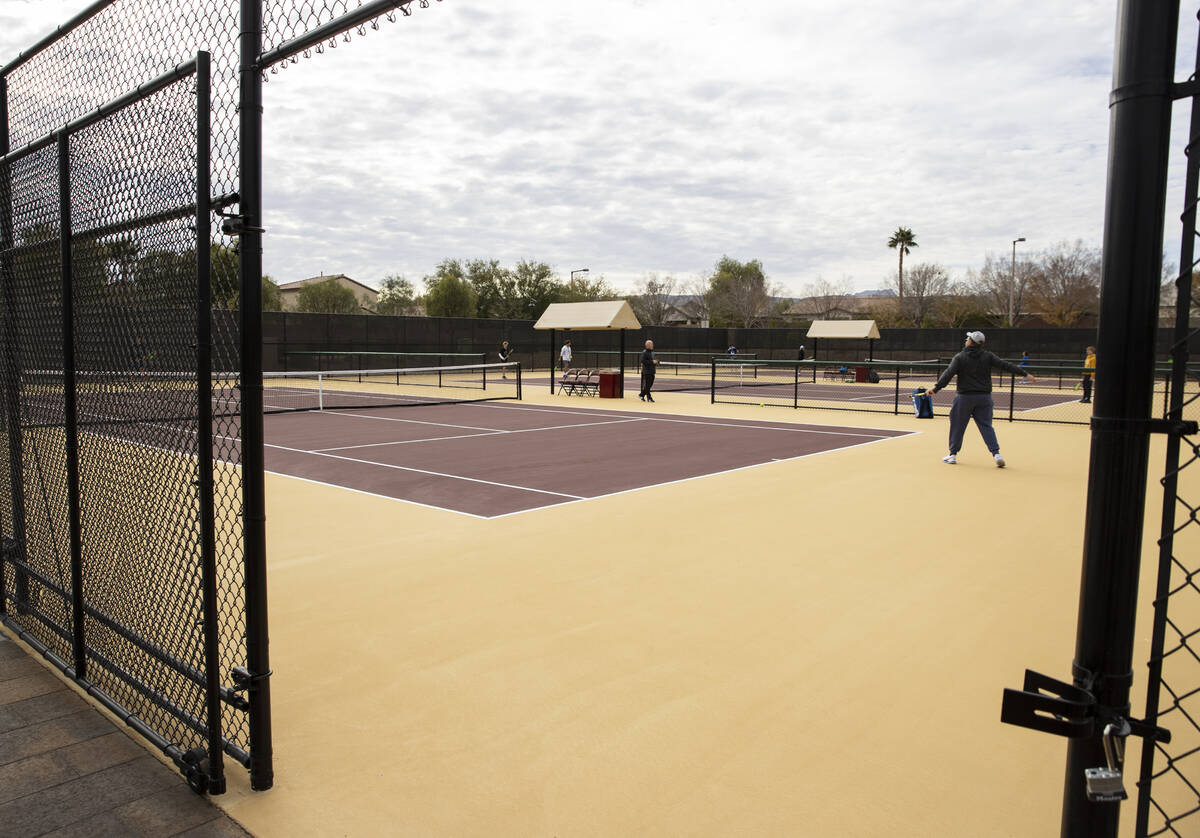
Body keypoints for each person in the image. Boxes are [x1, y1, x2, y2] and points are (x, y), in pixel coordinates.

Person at [926, 331, 1038, 467]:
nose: (965, 340)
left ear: (970, 341)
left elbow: (948, 374)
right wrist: (1025, 374)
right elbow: (1006, 365)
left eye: (967, 338)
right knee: (986, 426)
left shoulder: (960, 357)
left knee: (957, 426)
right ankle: (996, 454)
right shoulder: (987, 356)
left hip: (964, 398)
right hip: (984, 398)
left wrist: (936, 389)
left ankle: (953, 455)